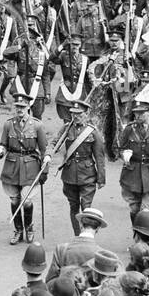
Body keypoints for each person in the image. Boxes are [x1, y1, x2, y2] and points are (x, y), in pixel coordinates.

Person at [0, 89, 46, 245]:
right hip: (12, 165)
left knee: (27, 199)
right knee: (15, 199)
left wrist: (45, 171)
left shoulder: (37, 125)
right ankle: (18, 230)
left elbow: (44, 150)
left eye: (22, 107)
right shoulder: (9, 124)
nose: (20, 110)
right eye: (17, 107)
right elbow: (4, 144)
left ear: (28, 106)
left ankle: (29, 227)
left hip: (30, 166)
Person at [46, 98, 105, 235]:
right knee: (73, 206)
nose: (76, 117)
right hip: (69, 174)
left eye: (79, 114)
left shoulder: (93, 132)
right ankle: (77, 234)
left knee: (86, 207)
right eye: (73, 114)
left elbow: (100, 157)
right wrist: (48, 155)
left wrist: (101, 178)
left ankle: (87, 234)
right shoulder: (66, 129)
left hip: (88, 175)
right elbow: (53, 143)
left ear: (86, 114)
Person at [117, 99, 149, 224]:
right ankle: (136, 236)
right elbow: (119, 148)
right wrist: (124, 155)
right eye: (136, 113)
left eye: (141, 113)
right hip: (132, 173)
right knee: (134, 208)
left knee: (148, 211)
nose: (138, 116)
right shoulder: (129, 129)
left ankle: (148, 238)